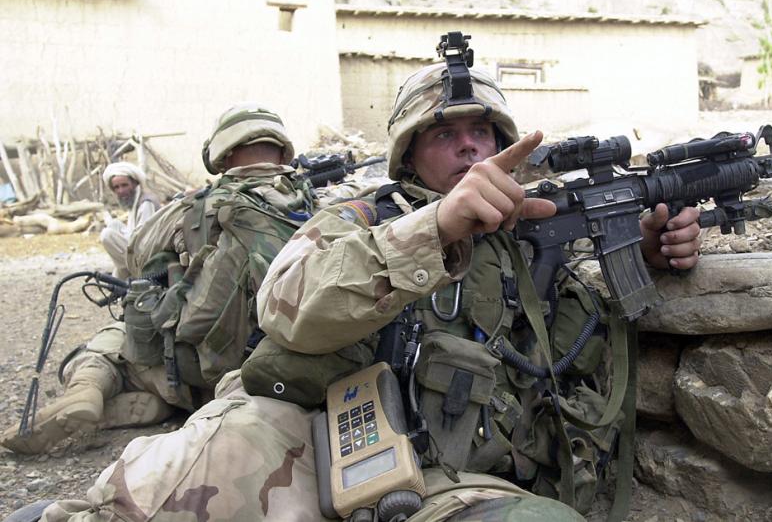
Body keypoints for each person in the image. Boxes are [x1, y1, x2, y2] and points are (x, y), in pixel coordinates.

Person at [15, 63, 700, 522]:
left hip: (464, 478)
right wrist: (434, 228)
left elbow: (571, 345)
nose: (468, 149)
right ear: (408, 151)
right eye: (444, 134)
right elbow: (287, 302)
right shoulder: (365, 217)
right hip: (346, 453)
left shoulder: (527, 230)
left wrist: (644, 249)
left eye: (481, 134)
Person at [0, 104, 316, 456]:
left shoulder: (196, 208)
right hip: (288, 373)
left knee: (114, 340)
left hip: (210, 372)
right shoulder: (317, 202)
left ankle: (88, 387)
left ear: (222, 157)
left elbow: (136, 252)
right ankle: (165, 401)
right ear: (284, 151)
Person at [100, 162, 161, 280]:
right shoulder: (134, 202)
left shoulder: (146, 203)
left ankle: (131, 276)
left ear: (135, 184)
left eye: (124, 185)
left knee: (107, 235)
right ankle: (123, 276)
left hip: (148, 258)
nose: (121, 190)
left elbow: (144, 242)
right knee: (113, 225)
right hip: (137, 252)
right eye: (116, 187)